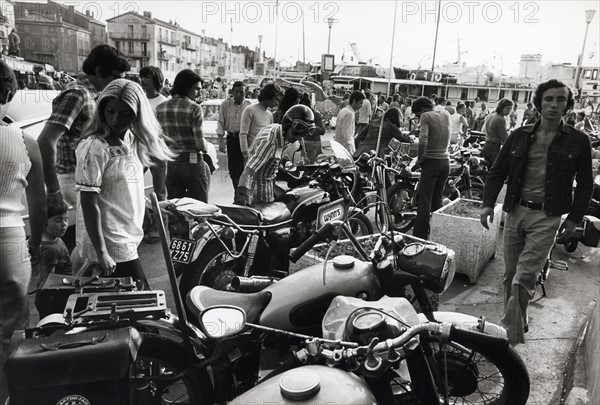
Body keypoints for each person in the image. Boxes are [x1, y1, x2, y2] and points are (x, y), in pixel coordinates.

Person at [480, 79, 593, 345]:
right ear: (539, 102)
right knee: (510, 275)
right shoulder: (520, 135)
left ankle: (507, 338)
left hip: (547, 216)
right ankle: (520, 318)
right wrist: (487, 204)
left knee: (524, 277)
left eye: (561, 100)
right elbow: (498, 171)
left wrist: (575, 218)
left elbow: (586, 183)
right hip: (516, 211)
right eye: (549, 99)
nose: (554, 105)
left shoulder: (579, 141)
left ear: (568, 105)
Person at [73, 79, 174, 288]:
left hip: (129, 235)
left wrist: (153, 206)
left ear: (137, 114)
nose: (115, 119)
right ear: (102, 109)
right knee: (143, 302)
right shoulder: (94, 147)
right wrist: (101, 252)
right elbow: (88, 203)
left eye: (125, 114)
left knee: (125, 311)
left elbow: (125, 189)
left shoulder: (131, 139)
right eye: (110, 111)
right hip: (111, 242)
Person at [0, 60, 46, 403]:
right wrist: (36, 243)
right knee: (11, 332)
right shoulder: (24, 140)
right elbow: (40, 207)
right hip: (10, 241)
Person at [38, 45, 130, 208]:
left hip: (87, 177)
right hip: (73, 178)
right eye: (116, 77)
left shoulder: (93, 94)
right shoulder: (77, 94)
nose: (119, 83)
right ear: (99, 71)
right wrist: (53, 191)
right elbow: (46, 141)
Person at [233, 104, 317, 205]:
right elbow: (248, 172)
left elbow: (270, 160)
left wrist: (291, 179)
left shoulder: (279, 132)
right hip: (258, 198)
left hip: (268, 189)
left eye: (301, 136)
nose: (297, 138)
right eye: (295, 134)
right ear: (287, 125)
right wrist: (242, 196)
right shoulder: (270, 142)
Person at [156, 69, 211, 202]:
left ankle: (177, 224)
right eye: (197, 89)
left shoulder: (160, 108)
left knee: (176, 205)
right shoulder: (194, 108)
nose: (198, 93)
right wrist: (205, 148)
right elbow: (199, 144)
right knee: (199, 206)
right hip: (192, 163)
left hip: (172, 163)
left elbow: (159, 139)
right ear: (187, 87)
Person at [411, 97, 451, 240]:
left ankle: (419, 238)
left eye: (417, 115)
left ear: (422, 110)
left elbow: (423, 140)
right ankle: (436, 233)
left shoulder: (426, 116)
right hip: (445, 162)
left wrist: (420, 158)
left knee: (424, 202)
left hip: (431, 162)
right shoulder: (446, 115)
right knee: (437, 199)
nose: (418, 118)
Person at [216, 80, 252, 189]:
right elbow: (221, 122)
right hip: (231, 139)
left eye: (241, 92)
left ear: (246, 92)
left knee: (244, 168)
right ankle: (237, 191)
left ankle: (242, 192)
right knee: (233, 170)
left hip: (244, 140)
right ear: (232, 92)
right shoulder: (225, 105)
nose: (238, 95)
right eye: (236, 92)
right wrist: (221, 141)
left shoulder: (249, 106)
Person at [240, 84, 281, 162]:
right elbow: (243, 134)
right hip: (251, 155)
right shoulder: (250, 110)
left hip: (264, 155)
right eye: (276, 99)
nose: (276, 103)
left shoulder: (270, 115)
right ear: (269, 96)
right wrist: (245, 155)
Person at [482, 98, 513, 165]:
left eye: (510, 109)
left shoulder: (492, 115)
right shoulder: (500, 119)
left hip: (486, 145)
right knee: (498, 169)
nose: (509, 111)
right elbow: (505, 138)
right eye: (507, 108)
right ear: (501, 107)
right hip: (494, 147)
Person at [335, 90, 364, 155]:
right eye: (360, 103)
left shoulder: (343, 110)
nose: (361, 106)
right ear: (354, 101)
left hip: (339, 147)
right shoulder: (349, 114)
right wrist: (350, 153)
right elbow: (346, 135)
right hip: (345, 150)